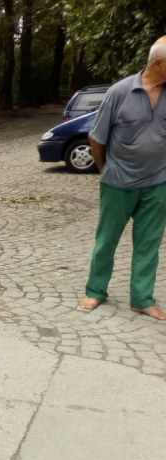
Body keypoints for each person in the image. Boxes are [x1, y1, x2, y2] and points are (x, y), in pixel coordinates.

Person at [78, 36, 166, 320]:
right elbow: (96, 137)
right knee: (106, 241)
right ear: (158, 63)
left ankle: (142, 299)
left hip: (157, 184)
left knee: (148, 244)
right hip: (118, 184)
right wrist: (105, 169)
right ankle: (95, 291)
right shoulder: (119, 92)